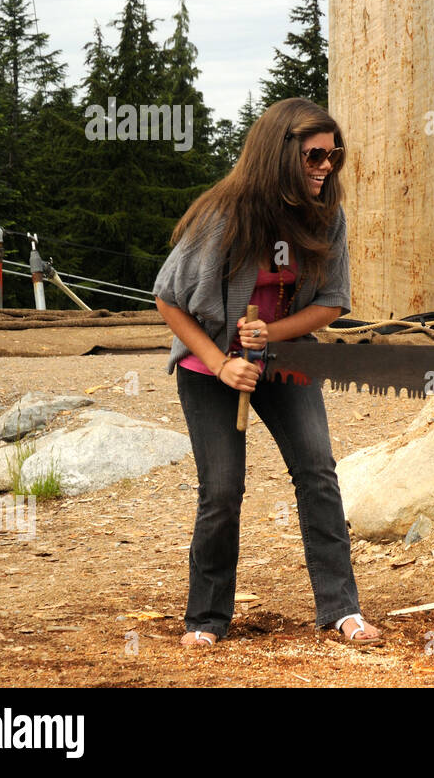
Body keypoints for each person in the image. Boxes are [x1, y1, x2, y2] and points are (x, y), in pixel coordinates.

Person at [153, 97, 380, 648]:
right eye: (315, 156)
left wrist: (271, 335)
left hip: (284, 358)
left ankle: (341, 611)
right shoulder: (223, 215)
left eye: (334, 155)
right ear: (279, 155)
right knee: (223, 489)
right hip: (211, 367)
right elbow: (167, 298)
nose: (327, 166)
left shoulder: (328, 216)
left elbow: (332, 302)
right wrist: (220, 363)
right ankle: (205, 620)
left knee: (318, 472)